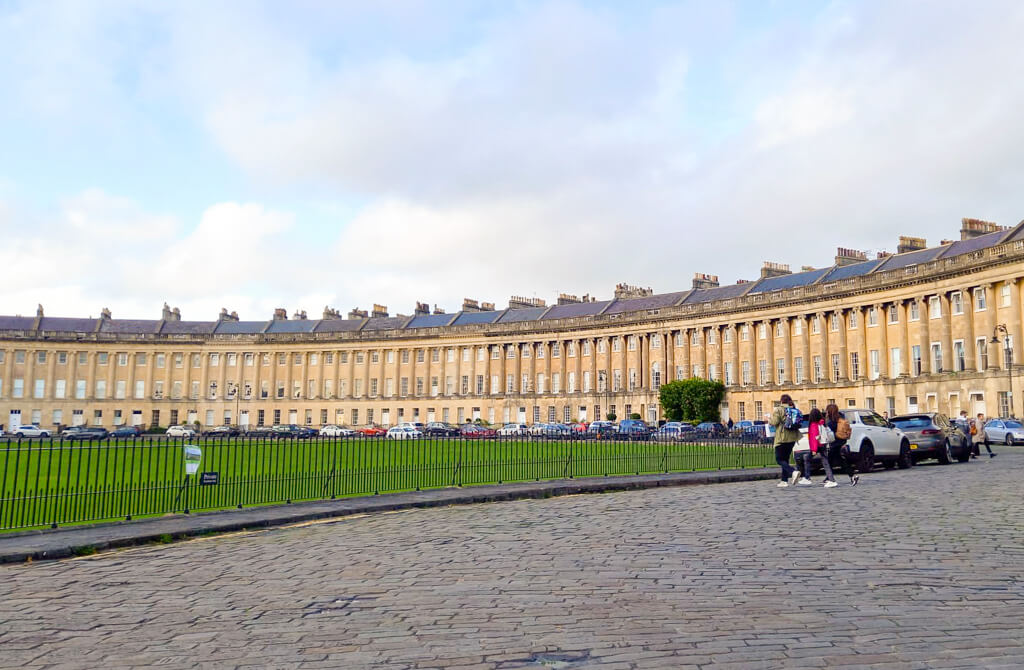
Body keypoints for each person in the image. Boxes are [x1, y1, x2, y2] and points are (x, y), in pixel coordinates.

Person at [770, 394, 802, 488]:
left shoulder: (779, 409)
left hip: (782, 438)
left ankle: (793, 471)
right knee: (785, 459)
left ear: (781, 401)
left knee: (779, 459)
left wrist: (768, 420)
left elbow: (774, 422)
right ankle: (784, 481)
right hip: (792, 438)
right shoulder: (794, 409)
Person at [825, 403, 858, 486]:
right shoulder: (841, 417)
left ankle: (852, 475)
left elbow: (829, 432)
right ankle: (828, 477)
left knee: (836, 461)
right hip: (841, 441)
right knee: (832, 460)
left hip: (835, 442)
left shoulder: (832, 421)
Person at [807, 407, 838, 488]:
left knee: (807, 459)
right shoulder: (822, 423)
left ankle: (807, 477)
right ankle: (831, 479)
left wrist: (814, 449)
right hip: (823, 444)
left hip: (818, 445)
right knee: (825, 462)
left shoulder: (813, 425)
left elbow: (815, 438)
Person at [792, 408, 816, 486]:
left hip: (812, 446)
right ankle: (806, 477)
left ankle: (806, 477)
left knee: (805, 458)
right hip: (814, 446)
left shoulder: (813, 425)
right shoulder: (816, 424)